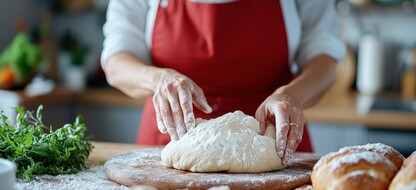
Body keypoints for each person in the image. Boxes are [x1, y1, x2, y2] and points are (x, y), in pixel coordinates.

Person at [101, 0, 345, 165]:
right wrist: (158, 79)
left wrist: (291, 96)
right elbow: (116, 62)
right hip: (173, 136)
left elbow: (324, 61)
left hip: (270, 139)